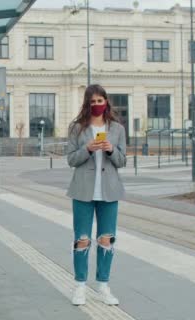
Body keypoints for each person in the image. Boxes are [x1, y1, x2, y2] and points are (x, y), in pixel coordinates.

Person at [66, 84, 126, 306]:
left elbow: (122, 161)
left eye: (100, 101)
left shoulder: (117, 129)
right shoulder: (77, 128)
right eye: (92, 102)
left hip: (109, 191)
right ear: (86, 104)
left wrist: (111, 149)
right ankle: (80, 286)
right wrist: (88, 149)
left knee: (106, 239)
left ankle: (103, 285)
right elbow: (71, 159)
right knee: (81, 239)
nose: (97, 105)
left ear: (106, 102)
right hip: (83, 190)